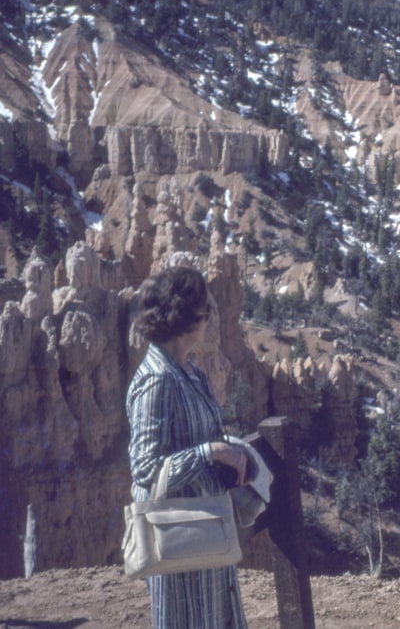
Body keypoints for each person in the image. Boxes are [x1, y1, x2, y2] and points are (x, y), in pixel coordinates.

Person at [126, 266, 251, 629]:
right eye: (203, 311)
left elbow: (203, 435)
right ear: (183, 317)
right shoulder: (156, 381)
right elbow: (145, 470)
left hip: (207, 534)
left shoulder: (190, 371)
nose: (209, 319)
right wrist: (209, 453)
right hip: (178, 544)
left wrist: (233, 453)